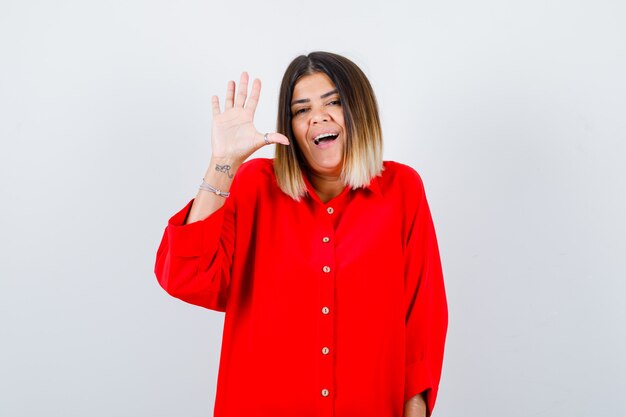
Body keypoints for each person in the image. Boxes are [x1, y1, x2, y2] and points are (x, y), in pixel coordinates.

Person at [154, 51, 448, 417]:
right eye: (301, 110)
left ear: (361, 111)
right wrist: (222, 164)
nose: (317, 116)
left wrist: (415, 409)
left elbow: (422, 319)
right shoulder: (254, 186)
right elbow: (188, 278)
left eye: (334, 102)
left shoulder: (403, 189)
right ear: (290, 126)